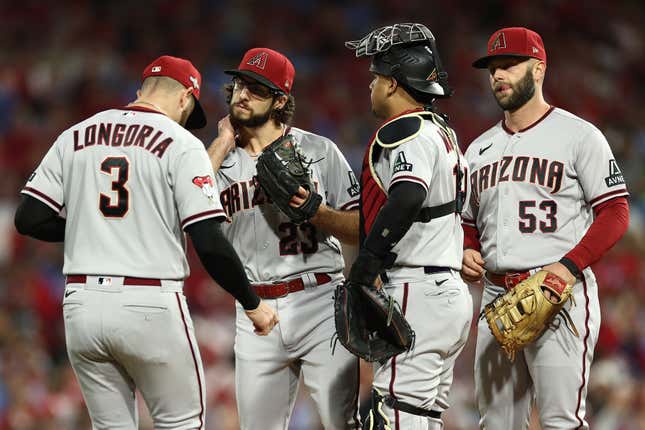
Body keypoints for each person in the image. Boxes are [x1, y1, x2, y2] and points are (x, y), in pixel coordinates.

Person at [14, 55, 278, 430]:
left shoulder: (76, 134)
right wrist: (253, 304)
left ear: (141, 91)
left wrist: (91, 226)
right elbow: (208, 241)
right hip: (149, 304)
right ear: (186, 98)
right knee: (182, 424)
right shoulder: (181, 142)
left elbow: (29, 218)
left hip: (82, 308)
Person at [462, 27, 630, 429]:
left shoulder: (578, 135)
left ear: (538, 69)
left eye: (509, 66)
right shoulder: (478, 149)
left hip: (559, 295)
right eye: (493, 69)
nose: (498, 76)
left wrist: (568, 267)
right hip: (496, 299)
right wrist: (467, 248)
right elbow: (468, 221)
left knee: (560, 421)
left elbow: (615, 213)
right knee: (496, 424)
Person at [207, 47, 361, 429]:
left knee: (341, 422)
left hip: (319, 299)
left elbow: (361, 227)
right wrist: (223, 142)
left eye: (258, 88)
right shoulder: (216, 160)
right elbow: (185, 203)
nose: (242, 93)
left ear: (280, 100)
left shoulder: (319, 151)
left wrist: (317, 212)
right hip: (256, 311)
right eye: (241, 83)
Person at [345, 23, 473, 429]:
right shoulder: (445, 133)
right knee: (425, 416)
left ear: (396, 83)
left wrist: (366, 263)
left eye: (377, 78)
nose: (371, 87)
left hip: (416, 287)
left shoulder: (407, 130)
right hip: (449, 293)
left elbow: (407, 195)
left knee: (395, 414)